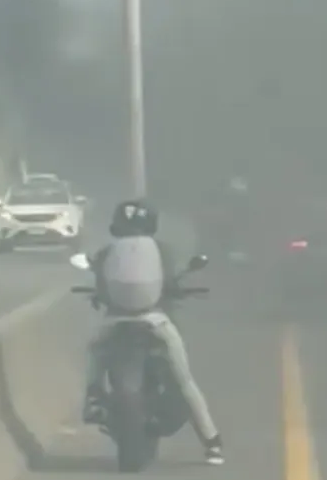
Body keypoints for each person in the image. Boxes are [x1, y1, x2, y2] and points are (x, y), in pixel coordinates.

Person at [83, 199, 224, 465]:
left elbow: (100, 285)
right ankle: (211, 441)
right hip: (156, 320)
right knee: (184, 380)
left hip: (114, 321)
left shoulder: (106, 252)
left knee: (94, 353)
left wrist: (100, 295)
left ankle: (92, 398)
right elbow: (169, 281)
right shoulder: (161, 250)